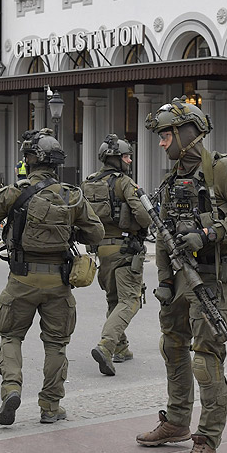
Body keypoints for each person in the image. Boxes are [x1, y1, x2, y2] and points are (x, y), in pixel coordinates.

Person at [136, 98, 227, 453]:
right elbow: (162, 234)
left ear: (186, 135)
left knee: (206, 361)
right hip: (177, 282)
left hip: (211, 279)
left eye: (166, 136)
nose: (161, 143)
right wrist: (161, 281)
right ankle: (176, 421)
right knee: (172, 348)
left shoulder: (223, 170)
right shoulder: (172, 178)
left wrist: (210, 233)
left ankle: (206, 438)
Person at [0, 128, 103, 426]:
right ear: (57, 163)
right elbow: (96, 232)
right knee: (56, 344)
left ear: (29, 160)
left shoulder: (16, 191)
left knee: (11, 336)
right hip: (59, 283)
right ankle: (50, 407)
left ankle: (11, 388)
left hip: (21, 278)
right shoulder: (72, 195)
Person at [82, 134, 153, 376]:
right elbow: (143, 216)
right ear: (115, 159)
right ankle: (107, 345)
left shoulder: (88, 182)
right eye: (126, 156)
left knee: (114, 299)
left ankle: (121, 347)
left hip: (101, 250)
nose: (130, 160)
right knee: (130, 300)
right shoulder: (123, 182)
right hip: (124, 250)